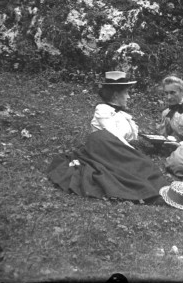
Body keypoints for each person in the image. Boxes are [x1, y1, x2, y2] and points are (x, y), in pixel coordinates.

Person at [46, 71, 167, 203]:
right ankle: (143, 192)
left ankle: (150, 187)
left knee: (144, 166)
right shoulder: (103, 110)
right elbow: (113, 136)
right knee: (139, 166)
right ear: (115, 95)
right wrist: (133, 152)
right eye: (126, 93)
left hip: (118, 148)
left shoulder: (121, 113)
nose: (129, 97)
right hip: (105, 150)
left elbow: (129, 137)